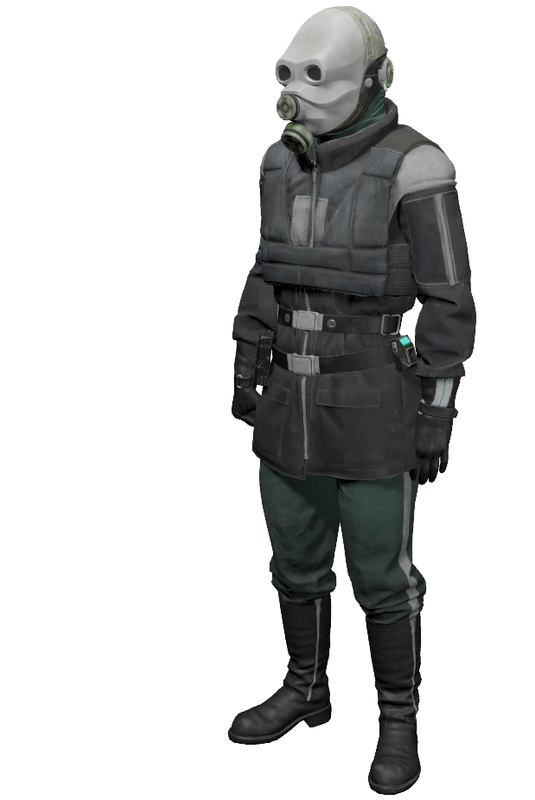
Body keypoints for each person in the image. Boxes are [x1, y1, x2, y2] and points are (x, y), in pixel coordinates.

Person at [228, 6, 475, 794]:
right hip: (288, 404)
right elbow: (268, 267)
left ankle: (398, 721)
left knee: (382, 577)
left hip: (373, 404)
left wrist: (437, 407)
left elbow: (449, 301)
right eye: (292, 78)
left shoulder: (416, 166)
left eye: (317, 78)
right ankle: (307, 688)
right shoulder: (279, 161)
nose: (301, 96)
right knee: (294, 564)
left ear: (372, 79)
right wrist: (246, 358)